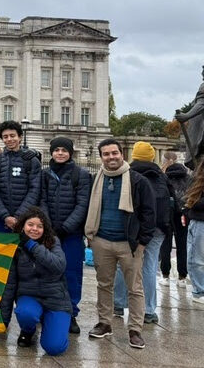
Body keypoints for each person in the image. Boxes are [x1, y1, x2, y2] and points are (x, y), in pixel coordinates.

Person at [85, 138, 155, 350]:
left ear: (121, 154)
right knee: (104, 285)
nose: (111, 157)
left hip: (129, 244)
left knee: (135, 288)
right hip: (101, 240)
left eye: (114, 153)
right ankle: (105, 323)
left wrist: (142, 242)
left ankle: (135, 329)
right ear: (101, 157)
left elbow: (149, 213)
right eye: (106, 154)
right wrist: (91, 238)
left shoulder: (138, 181)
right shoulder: (95, 179)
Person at [0, 207, 71, 356]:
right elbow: (10, 286)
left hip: (55, 298)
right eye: (30, 225)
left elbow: (59, 265)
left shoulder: (53, 241)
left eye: (39, 226)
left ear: (45, 229)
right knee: (26, 313)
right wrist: (4, 320)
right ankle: (28, 330)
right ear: (22, 226)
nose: (34, 229)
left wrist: (31, 245)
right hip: (29, 295)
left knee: (54, 348)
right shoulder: (15, 247)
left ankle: (51, 324)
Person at [39, 136, 91, 334]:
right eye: (56, 150)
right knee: (47, 273)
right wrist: (49, 227)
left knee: (71, 274)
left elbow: (82, 204)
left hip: (71, 234)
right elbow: (42, 200)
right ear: (51, 152)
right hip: (49, 233)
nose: (60, 153)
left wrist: (66, 227)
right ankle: (47, 309)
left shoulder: (81, 175)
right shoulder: (45, 174)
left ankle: (70, 313)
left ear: (70, 152)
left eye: (64, 150)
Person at [113, 141, 169, 325]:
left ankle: (118, 303)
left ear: (133, 156)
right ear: (152, 157)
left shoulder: (127, 175)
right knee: (149, 267)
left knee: (123, 265)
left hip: (132, 227)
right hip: (157, 227)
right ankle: (149, 310)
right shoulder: (161, 177)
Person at [0, 121, 42, 233]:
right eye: (5, 137)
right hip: (0, 220)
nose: (9, 139)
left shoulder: (32, 161)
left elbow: (35, 190)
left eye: (12, 136)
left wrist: (19, 216)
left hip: (25, 219)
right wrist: (5, 216)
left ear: (20, 137)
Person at [160, 152, 191, 286]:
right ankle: (182, 277)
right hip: (184, 214)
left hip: (167, 214)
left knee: (165, 245)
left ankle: (165, 275)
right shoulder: (188, 177)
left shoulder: (163, 177)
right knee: (182, 245)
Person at [183, 158, 204, 304]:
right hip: (200, 222)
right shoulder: (197, 181)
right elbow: (192, 203)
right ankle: (199, 291)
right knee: (197, 259)